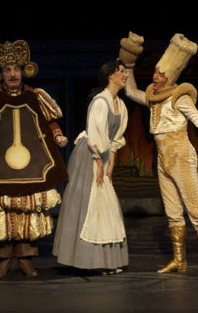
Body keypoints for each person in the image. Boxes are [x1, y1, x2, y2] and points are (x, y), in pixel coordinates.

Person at [120, 32, 198, 278]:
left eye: (160, 74)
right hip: (163, 158)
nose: (155, 77)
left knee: (195, 209)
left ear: (170, 77)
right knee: (172, 210)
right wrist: (129, 65)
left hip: (181, 155)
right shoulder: (152, 98)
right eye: (155, 72)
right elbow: (129, 91)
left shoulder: (179, 99)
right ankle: (179, 260)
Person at [0, 40, 68, 278]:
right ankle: (3, 260)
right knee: (1, 211)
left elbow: (49, 121)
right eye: (7, 70)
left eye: (16, 69)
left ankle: (25, 259)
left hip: (31, 165)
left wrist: (58, 135)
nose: (12, 74)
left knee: (27, 211)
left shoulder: (34, 96)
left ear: (23, 71)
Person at [52, 59, 129, 275]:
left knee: (106, 205)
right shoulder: (100, 101)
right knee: (89, 202)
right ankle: (87, 259)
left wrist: (111, 161)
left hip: (104, 155)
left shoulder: (120, 105)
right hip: (89, 156)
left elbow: (115, 139)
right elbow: (96, 134)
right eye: (121, 71)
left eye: (125, 71)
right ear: (110, 76)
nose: (125, 75)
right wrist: (99, 162)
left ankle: (106, 259)